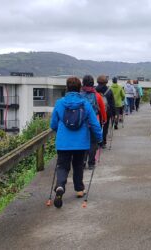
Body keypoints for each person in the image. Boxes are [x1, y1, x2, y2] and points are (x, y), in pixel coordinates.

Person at [50, 77, 103, 208]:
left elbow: (53, 124)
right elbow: (95, 124)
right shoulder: (85, 104)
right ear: (80, 88)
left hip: (63, 142)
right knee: (78, 165)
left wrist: (60, 131)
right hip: (81, 142)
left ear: (67, 88)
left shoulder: (59, 103)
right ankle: (79, 189)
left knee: (62, 166)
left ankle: (60, 186)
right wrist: (99, 138)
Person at [81, 75, 107, 170]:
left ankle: (82, 162)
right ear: (93, 84)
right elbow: (103, 109)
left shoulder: (80, 95)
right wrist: (104, 119)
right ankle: (91, 163)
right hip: (94, 121)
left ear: (83, 83)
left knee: (83, 141)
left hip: (82, 122)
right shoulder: (97, 95)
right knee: (93, 142)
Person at [96, 75, 116, 148]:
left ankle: (97, 141)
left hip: (97, 112)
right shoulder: (109, 91)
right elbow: (112, 103)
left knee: (97, 126)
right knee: (105, 127)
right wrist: (114, 114)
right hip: (107, 111)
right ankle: (103, 142)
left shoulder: (95, 90)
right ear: (106, 82)